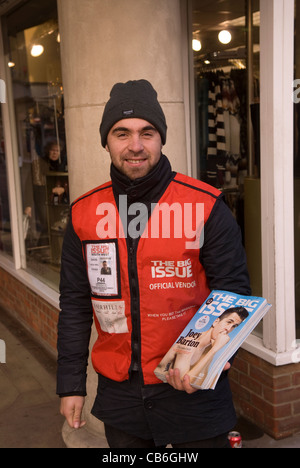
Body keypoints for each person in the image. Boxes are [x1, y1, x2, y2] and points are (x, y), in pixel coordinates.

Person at [57, 79, 251, 448]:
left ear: (161, 138)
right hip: (122, 400)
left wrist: (204, 359)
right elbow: (75, 305)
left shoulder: (205, 205)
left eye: (147, 133)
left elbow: (234, 293)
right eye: (121, 133)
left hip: (192, 390)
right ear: (106, 141)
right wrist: (71, 385)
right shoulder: (84, 213)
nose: (135, 146)